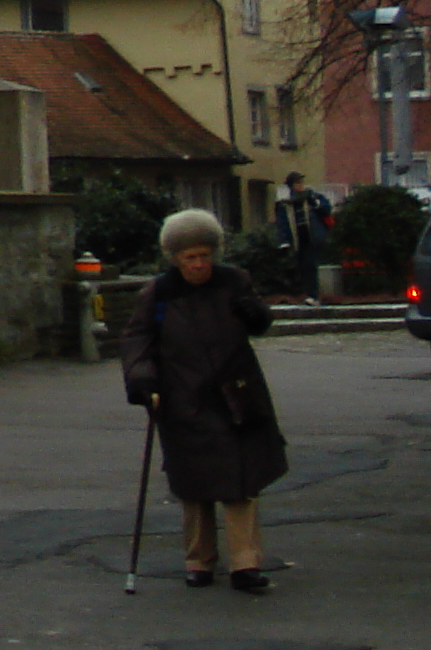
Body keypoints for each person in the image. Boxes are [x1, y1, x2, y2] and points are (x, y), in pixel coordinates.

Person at [120, 207, 288, 591]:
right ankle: (199, 561)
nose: (199, 265)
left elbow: (259, 324)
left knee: (241, 481)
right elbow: (136, 341)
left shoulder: (233, 282)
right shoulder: (159, 293)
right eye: (190, 258)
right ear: (176, 259)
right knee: (194, 485)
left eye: (204, 256)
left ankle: (245, 564)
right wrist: (143, 382)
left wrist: (255, 312)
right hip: (184, 397)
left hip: (237, 394)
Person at [272, 173, 332, 291]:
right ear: (291, 186)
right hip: (298, 239)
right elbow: (282, 223)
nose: (300, 186)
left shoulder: (313, 197)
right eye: (297, 183)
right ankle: (308, 293)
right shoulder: (285, 204)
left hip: (312, 237)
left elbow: (326, 209)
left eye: (301, 183)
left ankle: (313, 295)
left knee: (310, 264)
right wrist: (284, 241)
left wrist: (314, 202)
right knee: (302, 266)